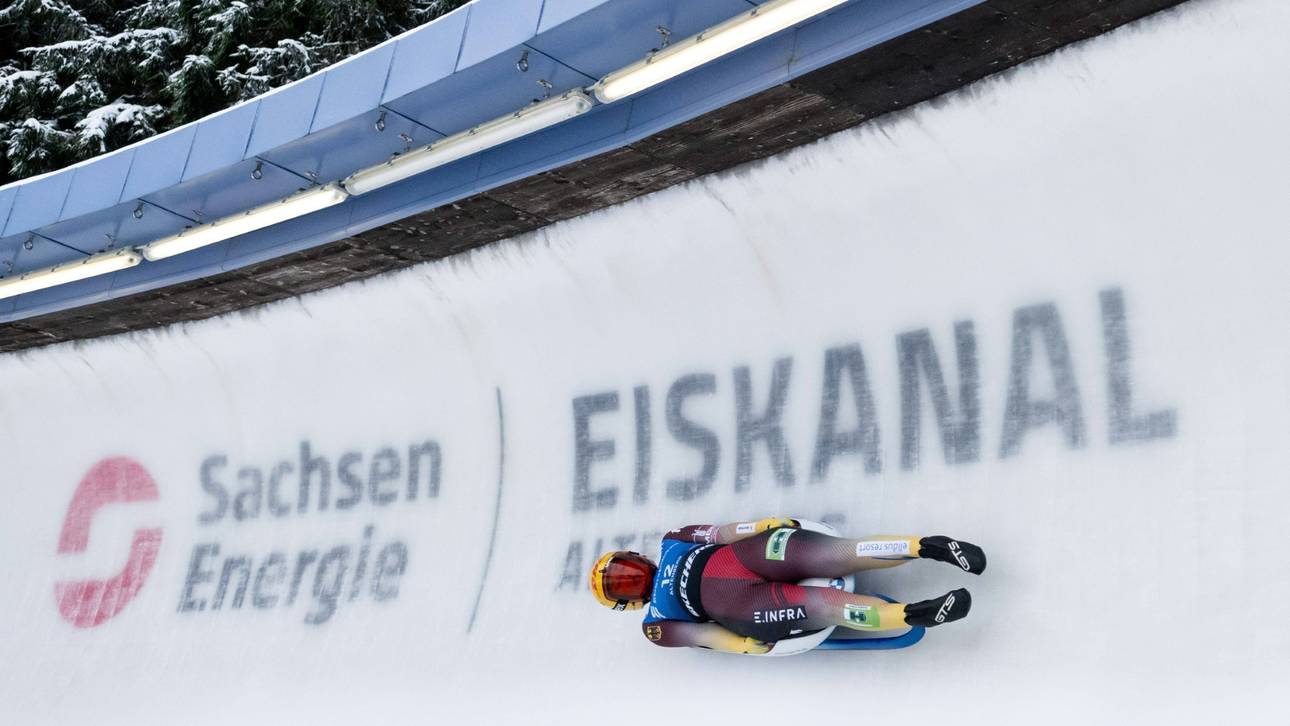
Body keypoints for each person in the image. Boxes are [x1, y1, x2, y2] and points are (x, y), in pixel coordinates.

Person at [589, 517, 985, 654]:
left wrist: (761, 526)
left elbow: (722, 533)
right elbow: (703, 635)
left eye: (627, 570)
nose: (635, 579)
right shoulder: (655, 626)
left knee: (835, 554)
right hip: (743, 605)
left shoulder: (673, 538)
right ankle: (915, 614)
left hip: (749, 553)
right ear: (628, 603)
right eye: (623, 586)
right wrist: (742, 644)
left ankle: (927, 547)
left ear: (637, 558)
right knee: (824, 604)